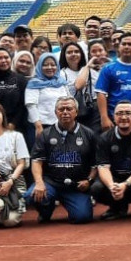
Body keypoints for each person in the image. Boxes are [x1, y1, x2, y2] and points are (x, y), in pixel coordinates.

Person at [27, 96, 98, 224]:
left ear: (76, 112)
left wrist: (89, 180)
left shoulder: (88, 134)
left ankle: (76, 205)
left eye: (69, 109)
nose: (65, 112)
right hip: (52, 183)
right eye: (61, 109)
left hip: (75, 186)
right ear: (56, 112)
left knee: (82, 217)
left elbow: (95, 164)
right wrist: (39, 182)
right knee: (31, 196)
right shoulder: (46, 134)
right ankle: (46, 211)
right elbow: (37, 160)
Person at [26, 53, 70, 139]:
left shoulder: (62, 82)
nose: (50, 67)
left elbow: (70, 101)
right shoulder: (34, 83)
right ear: (39, 67)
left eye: (53, 65)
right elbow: (31, 106)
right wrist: (38, 126)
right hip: (42, 126)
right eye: (45, 65)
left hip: (61, 125)